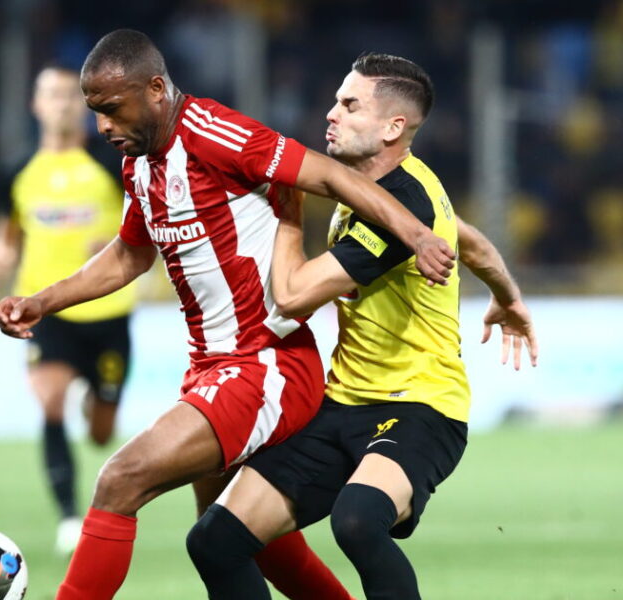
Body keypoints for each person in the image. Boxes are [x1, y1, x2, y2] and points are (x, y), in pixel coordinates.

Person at [0, 31, 455, 600]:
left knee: (121, 479)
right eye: (97, 112)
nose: (103, 126)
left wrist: (415, 233)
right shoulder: (140, 163)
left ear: (156, 90)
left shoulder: (214, 133)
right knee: (230, 537)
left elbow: (330, 175)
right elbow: (130, 255)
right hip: (213, 367)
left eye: (112, 108)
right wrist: (42, 300)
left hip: (265, 365)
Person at [186, 54, 538, 599]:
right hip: (343, 403)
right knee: (214, 541)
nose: (331, 114)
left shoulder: (403, 203)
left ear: (393, 127)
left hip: (421, 407)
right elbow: (468, 240)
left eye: (350, 105)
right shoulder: (387, 185)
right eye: (336, 101)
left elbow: (292, 296)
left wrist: (288, 203)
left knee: (356, 520)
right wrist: (507, 296)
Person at [0, 64, 136, 556]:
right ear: (36, 105)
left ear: (86, 105)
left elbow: (145, 222)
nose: (63, 103)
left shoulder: (113, 162)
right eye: (52, 94)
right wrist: (0, 253)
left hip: (109, 312)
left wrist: (113, 238)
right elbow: (5, 233)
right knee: (50, 402)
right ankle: (70, 516)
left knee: (101, 433)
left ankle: (97, 399)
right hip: (47, 312)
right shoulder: (16, 170)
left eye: (72, 95)